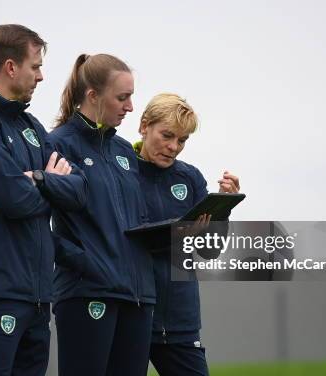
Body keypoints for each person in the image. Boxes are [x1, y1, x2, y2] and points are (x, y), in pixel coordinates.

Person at [0, 24, 87, 376]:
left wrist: (37, 180)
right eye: (35, 66)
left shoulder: (31, 126)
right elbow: (16, 201)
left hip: (38, 295)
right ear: (10, 67)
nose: (41, 76)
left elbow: (79, 190)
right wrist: (49, 186)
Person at [48, 54, 155, 376]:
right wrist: (85, 262)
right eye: (122, 97)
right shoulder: (57, 144)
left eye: (132, 96)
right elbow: (36, 221)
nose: (131, 107)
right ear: (93, 96)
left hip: (137, 296)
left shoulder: (125, 152)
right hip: (86, 292)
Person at [134, 93, 240, 375]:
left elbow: (209, 250)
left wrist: (223, 209)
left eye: (182, 140)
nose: (173, 147)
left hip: (181, 318)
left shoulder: (190, 178)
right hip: (133, 314)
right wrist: (178, 234)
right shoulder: (122, 172)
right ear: (145, 126)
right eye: (167, 135)